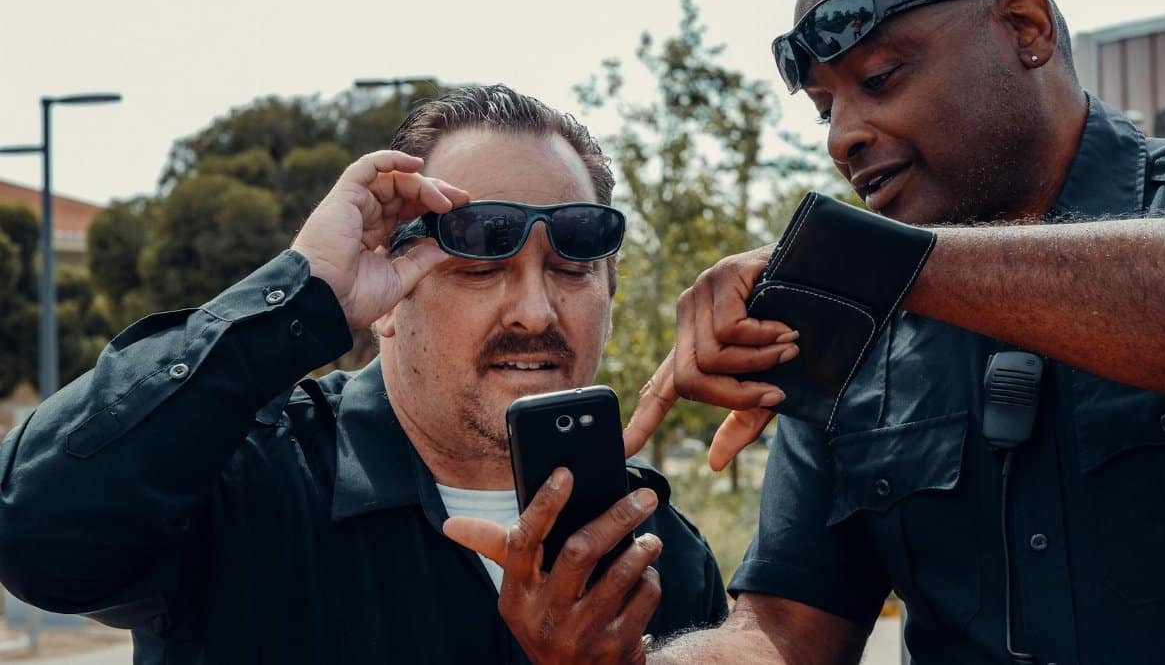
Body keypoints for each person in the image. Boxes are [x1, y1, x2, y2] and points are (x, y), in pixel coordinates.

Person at [449, 0, 1165, 663]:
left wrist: (863, 264)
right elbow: (783, 632)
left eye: (879, 80)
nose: (842, 138)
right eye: (822, 108)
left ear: (1024, 25)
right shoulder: (848, 330)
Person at [0, 85, 726, 664]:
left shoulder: (660, 550)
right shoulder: (243, 484)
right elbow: (32, 532)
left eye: (571, 265)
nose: (535, 310)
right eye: (480, 261)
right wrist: (302, 289)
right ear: (384, 297)